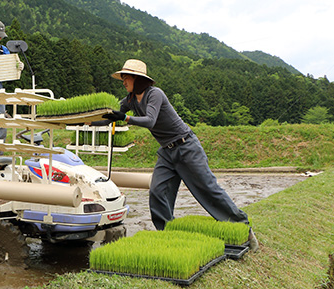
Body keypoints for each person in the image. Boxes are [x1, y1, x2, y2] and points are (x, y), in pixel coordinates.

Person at [99, 59, 259, 250]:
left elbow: (150, 121)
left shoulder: (154, 94)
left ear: (138, 79)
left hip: (186, 147)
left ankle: (244, 228)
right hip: (167, 152)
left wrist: (125, 117)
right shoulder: (130, 100)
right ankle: (169, 235)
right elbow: (111, 114)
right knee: (158, 191)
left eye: (126, 78)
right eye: (122, 78)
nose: (123, 82)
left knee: (208, 190)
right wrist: (86, 121)